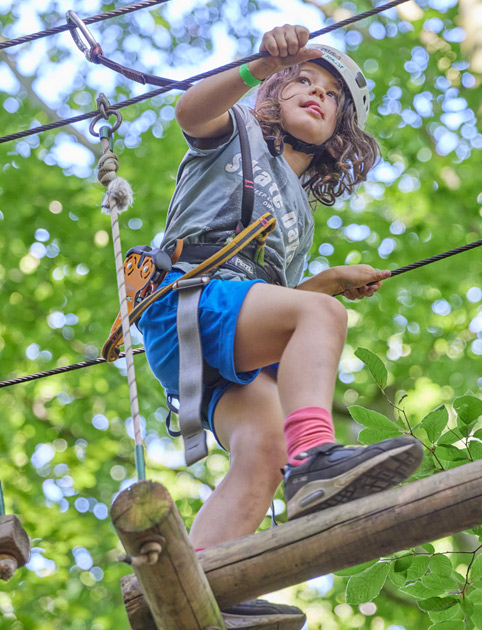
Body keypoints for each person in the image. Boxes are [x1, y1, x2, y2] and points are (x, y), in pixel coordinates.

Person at [134, 24, 423, 624]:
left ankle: (205, 584)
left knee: (264, 450)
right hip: (187, 300)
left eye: (331, 96)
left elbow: (277, 302)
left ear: (339, 132)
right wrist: (260, 63)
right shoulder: (235, 133)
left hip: (223, 333)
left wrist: (328, 280)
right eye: (305, 83)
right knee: (321, 318)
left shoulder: (300, 214)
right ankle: (314, 457)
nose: (318, 95)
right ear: (275, 93)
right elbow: (191, 110)